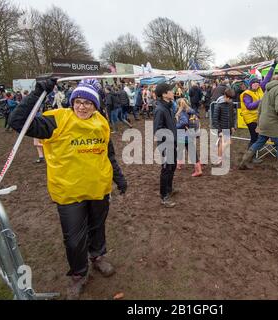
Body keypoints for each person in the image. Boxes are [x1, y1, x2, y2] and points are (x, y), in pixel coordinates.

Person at [9, 79, 127, 300]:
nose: (82, 107)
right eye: (78, 102)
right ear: (72, 102)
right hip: (69, 192)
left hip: (98, 188)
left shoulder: (101, 122)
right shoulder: (58, 120)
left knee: (97, 227)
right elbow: (17, 121)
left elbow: (108, 154)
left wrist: (119, 179)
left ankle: (98, 256)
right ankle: (78, 274)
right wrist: (36, 93)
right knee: (74, 238)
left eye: (88, 103)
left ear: (96, 105)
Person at [238, 75, 278, 180]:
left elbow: (259, 108)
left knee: (259, 142)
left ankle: (244, 162)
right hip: (274, 123)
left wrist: (259, 123)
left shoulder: (267, 90)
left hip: (264, 122)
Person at [240, 63, 276, 153]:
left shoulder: (260, 88)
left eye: (257, 83)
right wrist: (261, 101)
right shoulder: (246, 94)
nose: (256, 84)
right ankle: (249, 156)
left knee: (257, 137)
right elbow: (249, 106)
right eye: (254, 83)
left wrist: (272, 68)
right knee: (254, 138)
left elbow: (267, 79)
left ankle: (252, 154)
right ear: (250, 84)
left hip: (257, 118)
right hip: (250, 119)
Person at [153, 83, 178, 209]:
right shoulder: (160, 109)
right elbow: (157, 131)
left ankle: (169, 189)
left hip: (172, 143)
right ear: (164, 94)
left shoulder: (168, 107)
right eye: (170, 90)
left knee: (172, 167)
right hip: (165, 144)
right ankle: (164, 196)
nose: (172, 92)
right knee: (166, 169)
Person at [175, 98, 202, 177]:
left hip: (184, 133)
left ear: (179, 105)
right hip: (190, 132)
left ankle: (198, 170)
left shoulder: (182, 112)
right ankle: (179, 163)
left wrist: (175, 126)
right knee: (181, 147)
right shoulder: (190, 110)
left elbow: (184, 122)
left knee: (190, 150)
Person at [212, 89, 236, 166]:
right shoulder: (219, 105)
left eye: (231, 98)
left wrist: (233, 126)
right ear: (225, 96)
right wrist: (219, 130)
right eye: (229, 98)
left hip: (228, 127)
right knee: (225, 143)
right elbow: (215, 119)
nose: (230, 100)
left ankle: (220, 157)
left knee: (225, 143)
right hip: (222, 127)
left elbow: (233, 115)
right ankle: (218, 159)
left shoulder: (231, 104)